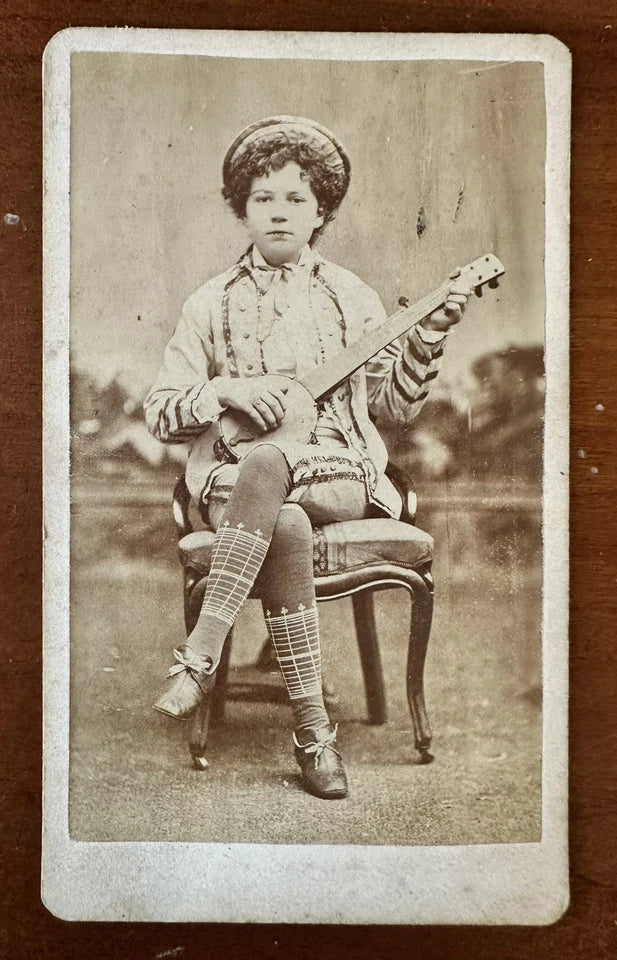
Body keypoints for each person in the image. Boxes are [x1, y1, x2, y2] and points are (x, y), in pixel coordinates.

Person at [144, 116, 471, 800]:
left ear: (320, 209)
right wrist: (227, 389)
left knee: (273, 471)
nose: (279, 211)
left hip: (338, 474)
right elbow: (162, 409)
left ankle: (198, 653)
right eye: (263, 197)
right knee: (278, 511)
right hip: (236, 485)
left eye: (295, 198)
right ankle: (314, 737)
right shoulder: (210, 302)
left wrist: (428, 337)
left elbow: (396, 407)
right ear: (243, 207)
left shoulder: (351, 298)